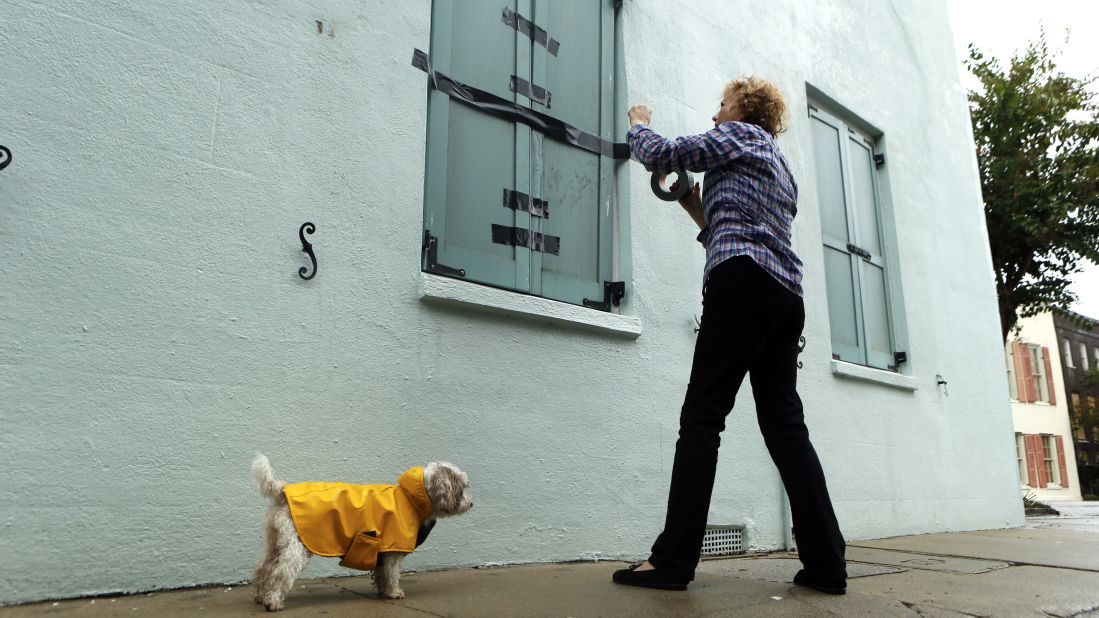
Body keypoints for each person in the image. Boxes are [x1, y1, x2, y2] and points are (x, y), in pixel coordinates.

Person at [611, 77, 847, 594]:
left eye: (722, 103)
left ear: (744, 108)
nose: (715, 112)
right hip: (785, 297)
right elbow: (727, 224)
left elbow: (668, 152)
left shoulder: (740, 135)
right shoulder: (778, 165)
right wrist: (690, 201)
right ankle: (828, 564)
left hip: (741, 283)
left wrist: (639, 124)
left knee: (701, 417)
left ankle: (672, 561)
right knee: (785, 428)